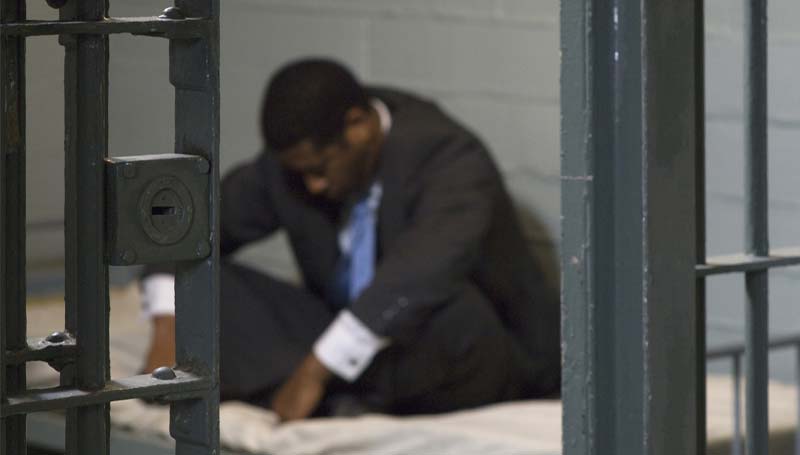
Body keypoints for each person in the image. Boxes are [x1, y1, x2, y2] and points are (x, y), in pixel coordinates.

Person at [141, 58, 560, 421]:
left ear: (358, 127)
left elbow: (418, 276)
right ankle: (345, 397)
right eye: (301, 173)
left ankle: (329, 395)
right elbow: (192, 233)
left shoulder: (450, 158)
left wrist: (314, 371)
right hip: (359, 341)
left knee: (446, 310)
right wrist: (169, 327)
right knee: (211, 286)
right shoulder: (295, 166)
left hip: (471, 349)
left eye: (320, 169)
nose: (314, 185)